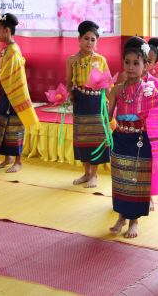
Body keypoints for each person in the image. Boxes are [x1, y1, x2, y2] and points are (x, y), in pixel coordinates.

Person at [107, 36, 158, 238]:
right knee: (120, 180)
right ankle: (121, 217)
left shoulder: (150, 89)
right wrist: (102, 95)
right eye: (127, 62)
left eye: (136, 63)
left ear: (145, 66)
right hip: (120, 138)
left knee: (136, 181)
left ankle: (134, 221)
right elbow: (107, 116)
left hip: (141, 141)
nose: (131, 67)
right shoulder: (117, 89)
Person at [0, 13, 39, 173]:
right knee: (3, 124)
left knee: (14, 127)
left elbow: (4, 76)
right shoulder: (7, 49)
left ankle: (18, 161)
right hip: (7, 93)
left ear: (6, 31)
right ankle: (8, 158)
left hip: (15, 95)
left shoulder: (13, 51)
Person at [66, 20, 110, 188]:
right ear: (79, 39)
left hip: (96, 102)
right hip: (80, 102)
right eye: (86, 38)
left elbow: (108, 84)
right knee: (82, 139)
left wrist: (110, 105)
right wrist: (68, 95)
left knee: (95, 139)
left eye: (93, 40)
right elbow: (68, 83)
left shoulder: (101, 60)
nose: (89, 42)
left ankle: (94, 175)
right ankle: (86, 173)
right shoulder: (71, 60)